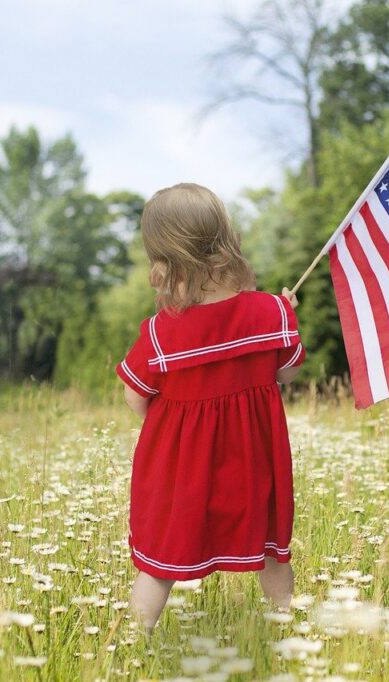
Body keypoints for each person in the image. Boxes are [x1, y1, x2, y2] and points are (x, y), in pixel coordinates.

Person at [114, 182, 305, 635]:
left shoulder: (162, 333)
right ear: (225, 240)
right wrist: (286, 316)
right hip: (254, 465)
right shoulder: (272, 314)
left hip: (180, 471)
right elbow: (288, 375)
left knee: (159, 565)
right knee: (271, 551)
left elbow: (134, 395)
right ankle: (287, 628)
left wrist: (166, 427)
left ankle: (133, 641)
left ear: (163, 259)